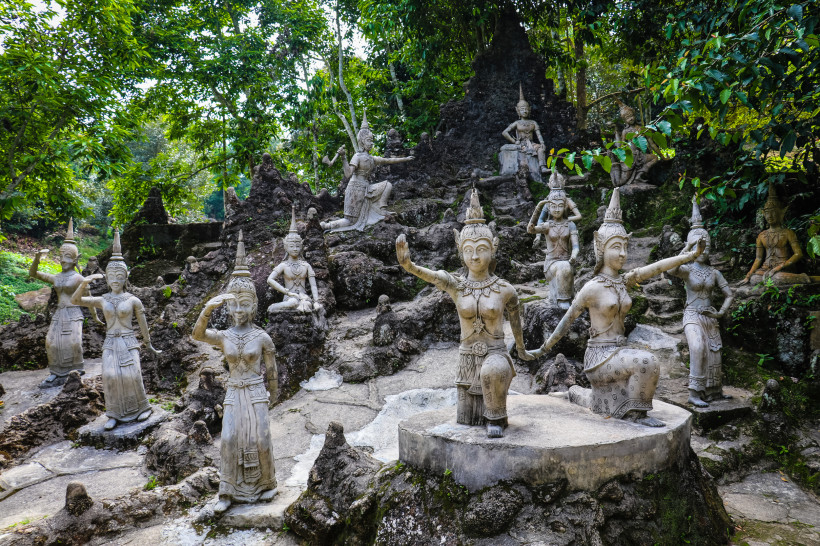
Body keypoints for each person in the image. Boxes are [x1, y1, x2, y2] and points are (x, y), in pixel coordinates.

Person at [530, 189, 705, 426]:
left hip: (619, 351)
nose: (623, 254)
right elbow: (566, 321)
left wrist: (686, 257)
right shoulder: (592, 287)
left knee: (641, 363)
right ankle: (635, 414)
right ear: (601, 248)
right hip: (599, 356)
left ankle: (581, 395)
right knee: (647, 362)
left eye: (625, 246)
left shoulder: (624, 281)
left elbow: (656, 267)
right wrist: (543, 348)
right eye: (616, 247)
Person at [396, 189, 535, 438]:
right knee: (467, 420)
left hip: (495, 355)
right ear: (460, 249)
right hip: (467, 358)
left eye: (481, 249)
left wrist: (522, 351)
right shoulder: (456, 285)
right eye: (468, 249)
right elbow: (434, 275)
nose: (474, 256)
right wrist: (410, 266)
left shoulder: (505, 289)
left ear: (493, 249)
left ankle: (496, 418)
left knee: (492, 372)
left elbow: (516, 324)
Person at [193, 231, 278, 513]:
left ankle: (267, 484)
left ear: (254, 305)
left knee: (261, 439)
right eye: (234, 304)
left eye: (245, 303)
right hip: (233, 391)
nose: (239, 309)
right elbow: (198, 335)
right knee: (229, 439)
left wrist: (273, 395)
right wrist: (207, 309)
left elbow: (272, 372)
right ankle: (228, 491)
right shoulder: (224, 335)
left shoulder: (263, 337)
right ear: (228, 306)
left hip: (255, 391)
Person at [71, 230, 158, 430]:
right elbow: (76, 300)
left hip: (128, 340)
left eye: (120, 275)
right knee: (110, 376)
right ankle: (114, 413)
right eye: (112, 276)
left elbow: (142, 323)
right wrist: (84, 282)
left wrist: (148, 343)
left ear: (126, 277)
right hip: (110, 341)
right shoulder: (103, 300)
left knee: (132, 375)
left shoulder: (133, 300)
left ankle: (142, 408)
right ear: (107, 278)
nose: (116, 279)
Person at [668, 196, 734, 407]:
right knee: (697, 347)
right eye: (699, 245)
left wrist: (720, 313)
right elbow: (670, 269)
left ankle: (714, 391)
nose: (703, 249)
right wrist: (686, 250)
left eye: (706, 245)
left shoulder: (714, 272)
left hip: (709, 315)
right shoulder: (687, 269)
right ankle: (694, 392)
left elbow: (729, 294)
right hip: (692, 315)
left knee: (715, 352)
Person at [321, 111, 414, 232]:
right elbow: (348, 174)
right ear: (362, 142)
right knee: (350, 221)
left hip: (367, 188)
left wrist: (405, 159)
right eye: (369, 141)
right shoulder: (357, 156)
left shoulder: (372, 158)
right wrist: (344, 158)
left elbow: (388, 160)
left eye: (372, 141)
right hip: (355, 189)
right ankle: (326, 226)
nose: (371, 143)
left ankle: (382, 209)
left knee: (387, 185)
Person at [30, 219, 97, 386]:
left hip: (74, 312)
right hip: (60, 312)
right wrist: (37, 259)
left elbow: (89, 299)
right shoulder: (57, 277)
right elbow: (33, 273)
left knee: (74, 342)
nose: (63, 260)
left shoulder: (79, 278)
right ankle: (55, 372)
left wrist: (96, 317)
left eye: (67, 257)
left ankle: (76, 369)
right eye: (61, 256)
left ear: (75, 259)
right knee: (51, 342)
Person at [739, 183, 816, 286]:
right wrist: (748, 275)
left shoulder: (788, 232)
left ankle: (804, 278)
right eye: (767, 213)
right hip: (766, 269)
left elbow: (798, 254)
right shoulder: (762, 235)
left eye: (773, 212)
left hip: (783, 268)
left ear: (781, 213)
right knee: (755, 279)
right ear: (764, 214)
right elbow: (758, 258)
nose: (770, 216)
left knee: (778, 277)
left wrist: (780, 267)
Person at [527, 172, 581, 309]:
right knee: (563, 267)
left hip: (567, 261)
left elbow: (575, 246)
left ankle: (565, 297)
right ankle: (563, 300)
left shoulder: (570, 225)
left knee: (565, 267)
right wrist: (538, 208)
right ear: (549, 207)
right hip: (551, 263)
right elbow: (531, 230)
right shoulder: (547, 225)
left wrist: (574, 254)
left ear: (565, 207)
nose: (556, 209)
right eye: (553, 206)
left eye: (560, 206)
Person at [267, 207, 322, 313]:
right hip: (290, 297)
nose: (295, 249)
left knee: (307, 305)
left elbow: (313, 285)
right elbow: (270, 280)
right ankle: (274, 307)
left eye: (297, 246)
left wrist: (316, 301)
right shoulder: (284, 265)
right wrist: (286, 292)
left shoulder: (306, 265)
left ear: (301, 246)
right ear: (286, 247)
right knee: (293, 302)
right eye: (292, 246)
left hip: (303, 297)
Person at [502, 84, 548, 173]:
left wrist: (542, 143)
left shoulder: (533, 122)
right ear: (518, 111)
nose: (525, 111)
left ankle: (542, 167)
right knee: (505, 148)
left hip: (532, 144)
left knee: (541, 149)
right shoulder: (517, 123)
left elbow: (538, 134)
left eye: (526, 109)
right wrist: (514, 141)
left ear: (529, 109)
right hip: (520, 144)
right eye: (522, 109)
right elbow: (504, 132)